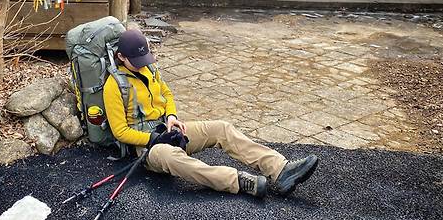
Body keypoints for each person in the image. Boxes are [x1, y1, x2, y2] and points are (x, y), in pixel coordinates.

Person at [103, 28, 319, 198]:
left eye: (145, 60)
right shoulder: (113, 86)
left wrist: (171, 117)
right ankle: (238, 181)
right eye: (137, 62)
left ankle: (281, 170)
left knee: (221, 128)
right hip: (147, 147)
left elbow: (166, 93)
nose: (142, 66)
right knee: (172, 157)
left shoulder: (149, 68)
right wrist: (154, 138)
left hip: (169, 129)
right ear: (121, 57)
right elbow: (120, 131)